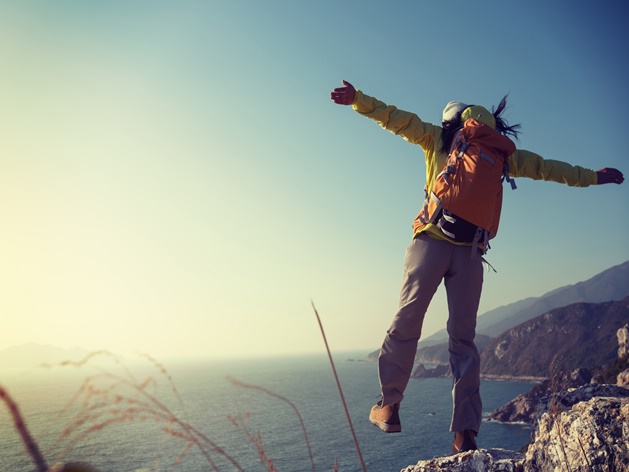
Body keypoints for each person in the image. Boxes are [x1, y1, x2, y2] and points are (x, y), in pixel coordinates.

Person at [329, 80, 625, 454]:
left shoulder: (436, 138)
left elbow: (394, 118)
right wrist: (594, 177)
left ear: (450, 121)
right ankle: (465, 432)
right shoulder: (499, 153)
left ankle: (389, 405)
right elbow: (551, 169)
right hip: (471, 253)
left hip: (431, 242)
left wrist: (358, 100)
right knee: (463, 341)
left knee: (407, 323)